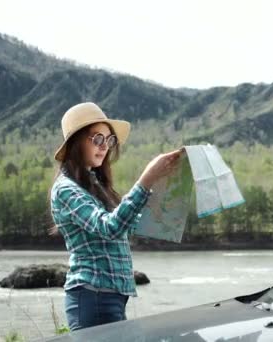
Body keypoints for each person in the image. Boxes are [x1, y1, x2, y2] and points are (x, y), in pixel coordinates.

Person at [49, 102, 181, 331]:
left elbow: (127, 225)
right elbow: (110, 227)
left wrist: (168, 191)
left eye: (109, 140)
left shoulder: (94, 185)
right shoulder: (65, 190)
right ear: (76, 142)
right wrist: (146, 179)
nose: (105, 147)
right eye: (97, 139)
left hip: (109, 297)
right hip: (93, 297)